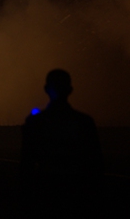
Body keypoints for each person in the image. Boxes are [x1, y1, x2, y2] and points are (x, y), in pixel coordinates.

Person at [20, 69, 103, 214]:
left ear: (46, 89)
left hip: (45, 193)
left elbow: (26, 164)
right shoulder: (84, 122)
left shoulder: (36, 122)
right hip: (76, 194)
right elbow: (95, 164)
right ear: (70, 90)